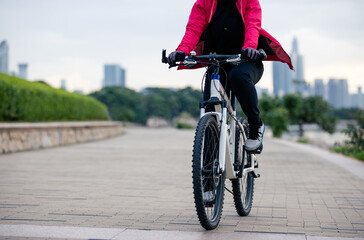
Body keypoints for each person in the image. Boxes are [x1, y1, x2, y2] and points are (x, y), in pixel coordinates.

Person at [168, 0, 293, 153]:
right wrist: (182, 50)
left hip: (247, 61)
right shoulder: (203, 3)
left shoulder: (249, 2)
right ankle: (208, 167)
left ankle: (255, 126)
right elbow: (193, 29)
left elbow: (253, 25)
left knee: (237, 76)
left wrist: (249, 48)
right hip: (219, 63)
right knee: (210, 106)